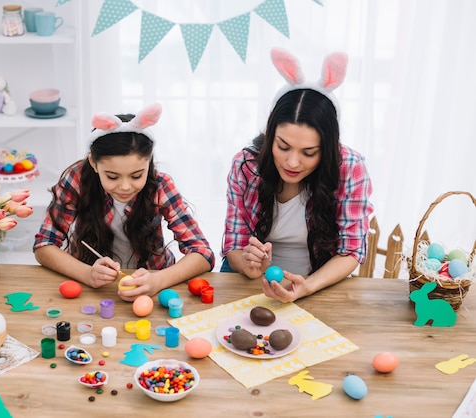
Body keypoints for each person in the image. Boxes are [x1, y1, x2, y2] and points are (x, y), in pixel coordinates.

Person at [221, 48, 373, 303]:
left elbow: (351, 251)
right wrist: (248, 264)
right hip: (250, 284)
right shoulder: (246, 166)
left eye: (309, 152)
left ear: (327, 148)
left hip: (317, 284)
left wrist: (308, 286)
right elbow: (233, 243)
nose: (292, 162)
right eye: (282, 146)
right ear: (270, 135)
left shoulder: (350, 167)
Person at [34, 103, 215, 301]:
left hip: (152, 283)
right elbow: (44, 245)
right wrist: (86, 274)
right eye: (112, 177)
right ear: (94, 163)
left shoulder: (160, 185)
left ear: (149, 163)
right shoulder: (77, 179)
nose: (125, 187)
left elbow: (202, 253)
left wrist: (157, 281)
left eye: (137, 175)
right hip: (91, 289)